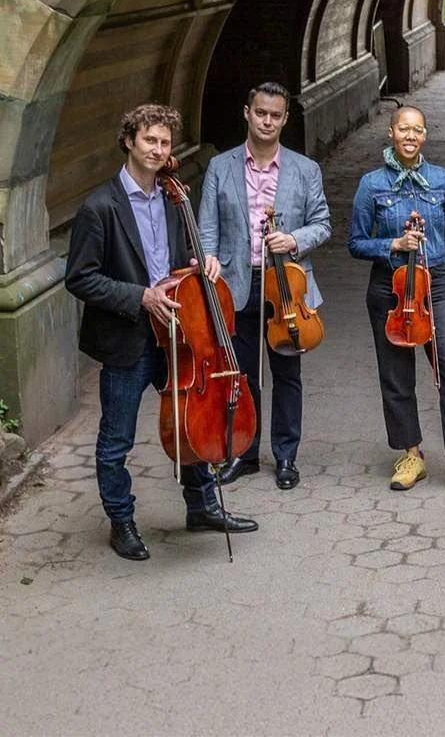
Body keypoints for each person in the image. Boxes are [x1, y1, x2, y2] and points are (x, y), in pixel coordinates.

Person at [64, 104, 258, 561]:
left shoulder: (172, 198)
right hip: (130, 338)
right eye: (149, 140)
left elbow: (180, 257)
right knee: (117, 439)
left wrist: (202, 263)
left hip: (178, 333)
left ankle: (202, 506)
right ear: (128, 142)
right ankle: (122, 521)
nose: (157, 149)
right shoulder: (99, 207)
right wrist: (141, 296)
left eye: (164, 142)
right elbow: (80, 278)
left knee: (194, 423)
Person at [349, 105, 445, 497]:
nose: (410, 136)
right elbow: (356, 243)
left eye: (417, 130)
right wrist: (393, 244)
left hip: (438, 283)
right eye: (403, 129)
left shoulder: (442, 180)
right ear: (391, 133)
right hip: (391, 286)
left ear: (425, 135)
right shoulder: (371, 184)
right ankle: (411, 454)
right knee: (396, 376)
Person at [197, 82, 332, 491]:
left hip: (286, 286)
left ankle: (286, 455)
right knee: (242, 375)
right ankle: (245, 452)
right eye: (260, 113)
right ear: (247, 113)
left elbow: (322, 224)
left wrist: (293, 240)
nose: (267, 122)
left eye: (275, 115)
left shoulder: (305, 169)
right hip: (236, 284)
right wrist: (208, 257)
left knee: (287, 373)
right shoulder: (220, 167)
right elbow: (207, 227)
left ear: (285, 118)